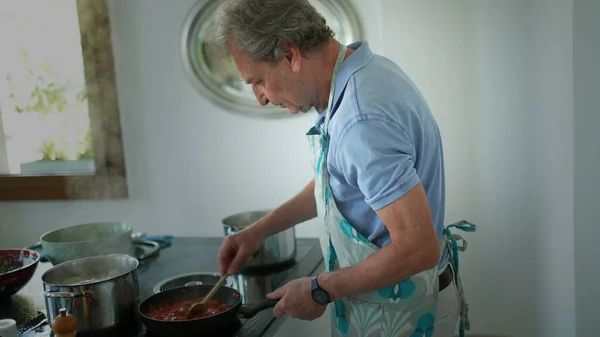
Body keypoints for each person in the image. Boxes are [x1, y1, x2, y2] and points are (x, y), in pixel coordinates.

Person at [213, 0, 476, 336]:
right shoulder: (367, 71)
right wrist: (259, 231)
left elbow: (417, 246)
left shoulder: (360, 119)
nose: (260, 98)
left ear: (290, 55)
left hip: (400, 315)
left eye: (259, 80)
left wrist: (320, 289)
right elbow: (340, 182)